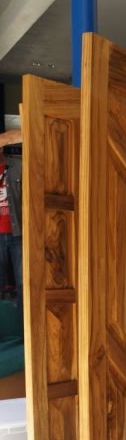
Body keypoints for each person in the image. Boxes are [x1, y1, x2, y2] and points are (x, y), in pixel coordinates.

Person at [0, 129, 22, 308]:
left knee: (24, 284)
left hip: (18, 236)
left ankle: (25, 330)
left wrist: (5, 138)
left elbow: (33, 132)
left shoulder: (17, 166)